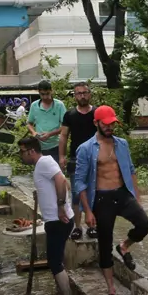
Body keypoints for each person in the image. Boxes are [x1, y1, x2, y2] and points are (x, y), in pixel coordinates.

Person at [74, 106, 148, 295]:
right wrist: (87, 211)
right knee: (105, 246)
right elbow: (80, 183)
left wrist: (137, 197)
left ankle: (124, 246)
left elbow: (131, 170)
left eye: (112, 124)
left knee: (144, 224)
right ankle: (111, 290)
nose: (110, 127)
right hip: (101, 199)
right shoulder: (85, 149)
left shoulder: (121, 144)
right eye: (106, 124)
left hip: (122, 194)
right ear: (96, 123)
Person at [18, 136, 74, 295]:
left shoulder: (44, 162)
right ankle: (62, 294)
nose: (21, 155)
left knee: (54, 262)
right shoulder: (43, 164)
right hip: (55, 220)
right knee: (56, 260)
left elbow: (61, 180)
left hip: (58, 220)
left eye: (22, 152)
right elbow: (65, 183)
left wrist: (61, 206)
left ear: (31, 151)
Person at [59, 82, 99, 240]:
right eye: (79, 93)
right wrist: (62, 156)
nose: (82, 96)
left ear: (90, 94)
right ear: (74, 96)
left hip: (96, 157)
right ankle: (77, 227)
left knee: (94, 193)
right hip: (76, 159)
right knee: (76, 194)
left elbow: (104, 134)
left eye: (85, 92)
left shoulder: (96, 113)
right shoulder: (69, 115)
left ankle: (92, 226)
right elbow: (63, 136)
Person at [26, 80, 66, 163]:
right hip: (39, 147)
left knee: (55, 169)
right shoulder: (34, 105)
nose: (45, 97)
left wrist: (50, 134)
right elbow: (29, 123)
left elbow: (65, 126)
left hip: (55, 145)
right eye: (42, 94)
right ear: (39, 92)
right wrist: (34, 133)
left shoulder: (59, 105)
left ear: (51, 91)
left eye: (47, 94)